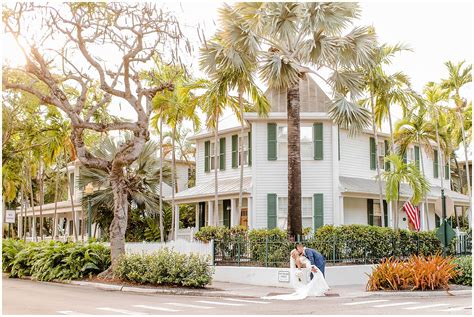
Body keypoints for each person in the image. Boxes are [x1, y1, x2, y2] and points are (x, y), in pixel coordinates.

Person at [261, 245, 329, 300]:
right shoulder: (302, 255)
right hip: (314, 264)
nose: (298, 251)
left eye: (297, 250)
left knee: (320, 275)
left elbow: (311, 258)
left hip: (319, 262)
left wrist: (312, 267)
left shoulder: (307, 251)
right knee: (314, 276)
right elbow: (306, 260)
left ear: (300, 248)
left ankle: (322, 289)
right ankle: (316, 289)